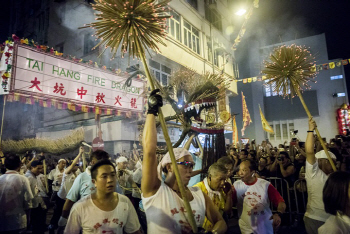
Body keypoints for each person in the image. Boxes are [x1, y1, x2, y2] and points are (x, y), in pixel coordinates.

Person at [141, 89, 227, 234]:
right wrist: (151, 112)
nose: (190, 169)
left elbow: (221, 222)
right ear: (169, 167)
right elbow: (149, 152)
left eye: (192, 165)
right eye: (186, 164)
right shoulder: (155, 191)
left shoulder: (199, 194)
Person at [64, 160, 141, 234]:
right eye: (104, 176)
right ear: (94, 182)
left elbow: (134, 231)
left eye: (112, 175)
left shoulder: (125, 202)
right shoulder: (80, 207)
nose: (110, 180)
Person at [58, 150, 110, 229]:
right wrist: (63, 218)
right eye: (101, 163)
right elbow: (70, 200)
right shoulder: (82, 177)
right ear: (93, 162)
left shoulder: (111, 178)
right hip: (87, 222)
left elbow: (119, 198)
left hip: (108, 222)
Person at [232, 159, 286, 234]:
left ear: (252, 172)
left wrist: (278, 214)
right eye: (239, 170)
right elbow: (230, 205)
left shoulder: (265, 185)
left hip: (265, 227)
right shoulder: (236, 185)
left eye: (244, 170)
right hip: (246, 228)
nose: (240, 173)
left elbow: (280, 202)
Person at [304, 117, 336, 234]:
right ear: (322, 161)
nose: (334, 164)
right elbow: (309, 152)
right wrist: (310, 130)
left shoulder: (334, 178)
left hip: (332, 219)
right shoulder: (314, 173)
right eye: (330, 161)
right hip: (315, 218)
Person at [0, 154, 34, 233]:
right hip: (18, 221)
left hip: (2, 222)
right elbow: (28, 201)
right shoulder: (23, 179)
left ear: (5, 165)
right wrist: (28, 218)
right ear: (19, 164)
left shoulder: (0, 178)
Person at [194, 163, 232, 231]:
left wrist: (229, 195)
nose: (223, 183)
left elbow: (227, 211)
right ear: (209, 177)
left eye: (224, 179)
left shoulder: (221, 191)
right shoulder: (198, 190)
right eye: (220, 179)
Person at [25, 160, 46, 234]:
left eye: (41, 168)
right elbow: (29, 195)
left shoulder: (33, 176)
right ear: (32, 167)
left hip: (36, 204)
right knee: (37, 227)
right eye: (38, 168)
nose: (40, 171)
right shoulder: (30, 177)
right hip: (33, 206)